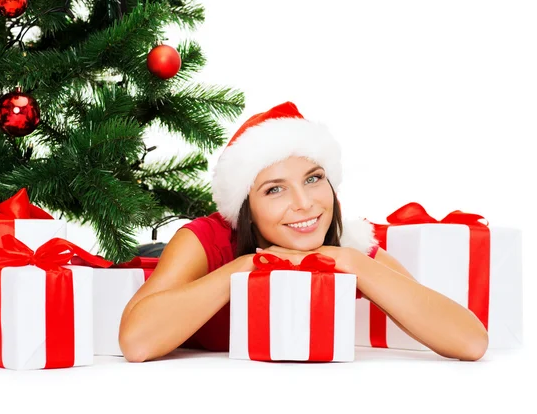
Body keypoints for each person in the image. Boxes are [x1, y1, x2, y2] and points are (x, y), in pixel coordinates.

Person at [119, 101, 488, 362]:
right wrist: (245, 266)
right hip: (156, 259)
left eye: (313, 179)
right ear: (246, 209)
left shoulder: (348, 247)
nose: (305, 204)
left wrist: (354, 264)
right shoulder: (206, 240)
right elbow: (136, 343)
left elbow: (471, 342)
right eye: (275, 189)